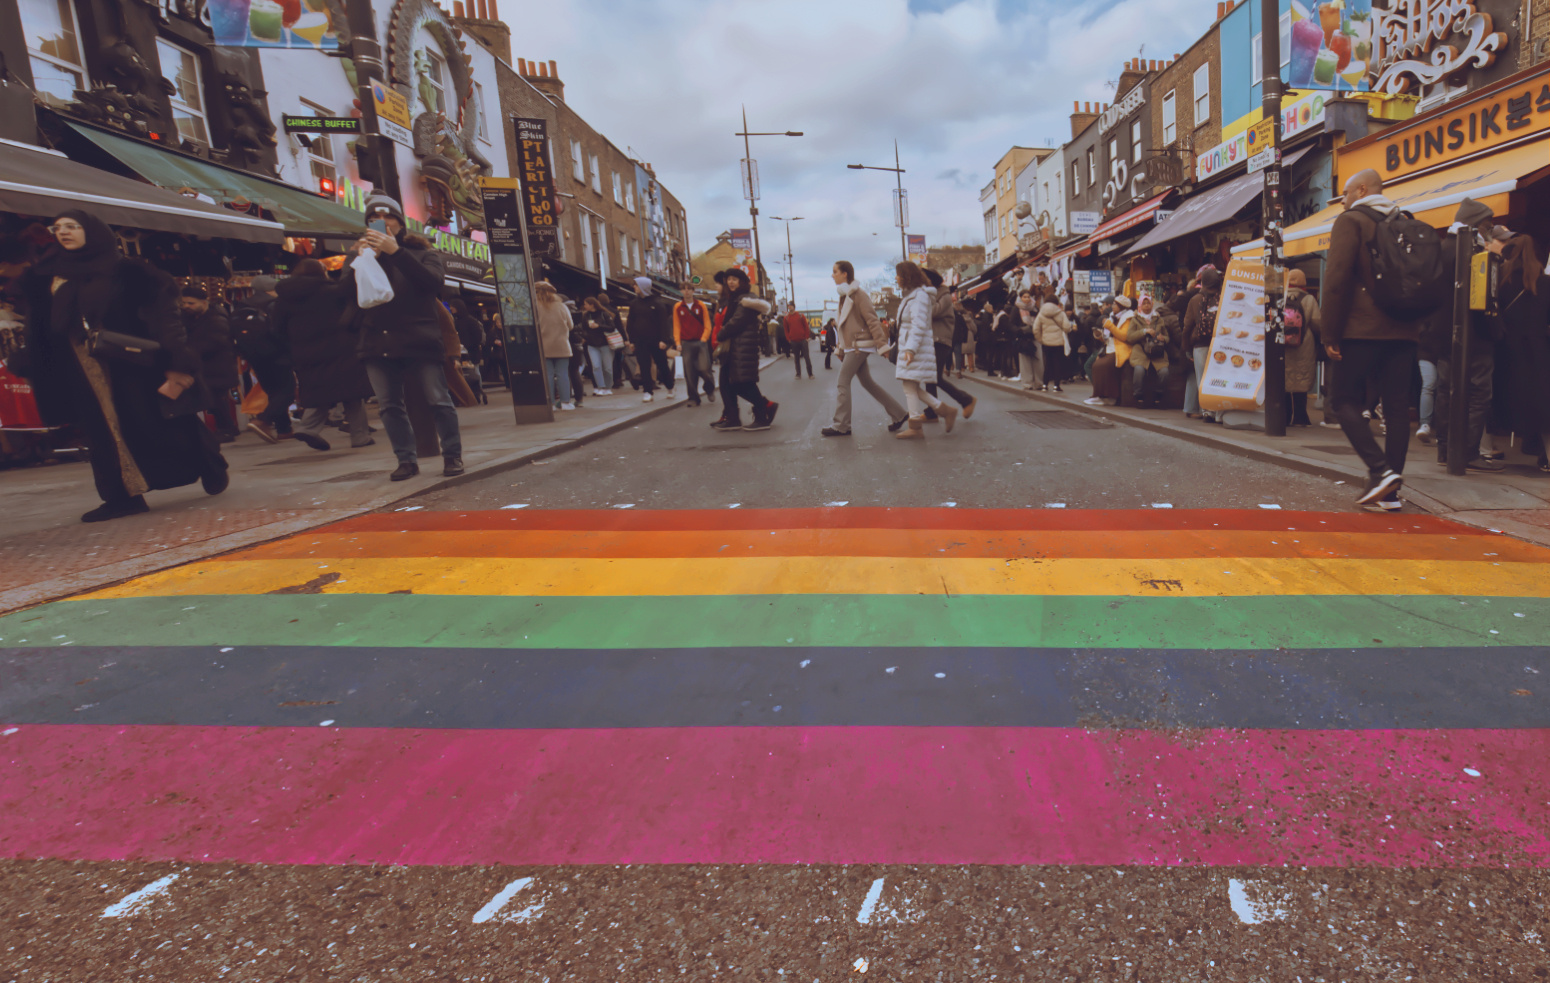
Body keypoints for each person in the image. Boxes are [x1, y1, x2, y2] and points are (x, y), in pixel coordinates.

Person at [17, 209, 228, 521]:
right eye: (58, 227)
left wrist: (176, 359)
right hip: (80, 368)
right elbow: (43, 327)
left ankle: (208, 462)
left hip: (132, 363)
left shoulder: (129, 272)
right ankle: (121, 497)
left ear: (93, 230)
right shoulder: (47, 275)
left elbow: (162, 318)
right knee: (100, 431)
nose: (64, 232)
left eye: (73, 226)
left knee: (157, 423)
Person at [1322, 168, 1424, 505]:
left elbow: (1336, 278)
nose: (1342, 202)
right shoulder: (1404, 221)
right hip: (1405, 331)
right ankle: (1389, 494)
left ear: (1361, 190)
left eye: (1345, 194)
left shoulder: (1352, 221)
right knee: (1395, 410)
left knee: (1341, 401)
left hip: (1362, 329)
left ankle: (1380, 470)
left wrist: (1330, 332)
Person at [344, 194, 463, 481]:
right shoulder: (362, 257)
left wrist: (396, 252)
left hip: (419, 338)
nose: (384, 224)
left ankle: (452, 455)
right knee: (389, 406)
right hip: (377, 341)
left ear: (401, 223)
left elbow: (432, 284)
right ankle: (406, 460)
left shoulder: (423, 253)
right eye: (376, 220)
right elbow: (343, 296)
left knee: (438, 399)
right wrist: (355, 262)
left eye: (390, 219)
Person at [272, 258, 374, 449]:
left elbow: (277, 328)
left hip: (305, 352)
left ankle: (308, 427)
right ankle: (360, 436)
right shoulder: (330, 291)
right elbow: (351, 291)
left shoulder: (284, 298)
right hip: (340, 348)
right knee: (353, 393)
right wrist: (354, 259)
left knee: (320, 391)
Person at [822, 260, 908, 437]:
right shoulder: (845, 296)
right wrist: (840, 349)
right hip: (852, 346)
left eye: (835, 271)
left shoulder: (859, 295)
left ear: (845, 273)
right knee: (867, 383)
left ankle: (842, 425)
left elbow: (872, 320)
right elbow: (844, 327)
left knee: (842, 381)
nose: (832, 275)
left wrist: (882, 345)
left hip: (858, 346)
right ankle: (899, 414)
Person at [1495, 233, 1550, 473]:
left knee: (1507, 399)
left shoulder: (1502, 280)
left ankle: (1492, 448)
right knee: (1541, 401)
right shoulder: (1545, 282)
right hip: (1538, 351)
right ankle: (1545, 454)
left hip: (1507, 350)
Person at [230, 276, 299, 445]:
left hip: (255, 357)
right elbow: (282, 330)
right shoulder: (273, 304)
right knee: (287, 391)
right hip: (278, 355)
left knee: (273, 391)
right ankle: (262, 420)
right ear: (270, 289)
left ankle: (284, 429)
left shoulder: (242, 306)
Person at [892, 261, 956, 439]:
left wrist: (910, 350)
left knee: (909, 385)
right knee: (910, 386)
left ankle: (917, 426)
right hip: (912, 346)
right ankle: (944, 410)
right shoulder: (913, 296)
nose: (896, 278)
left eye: (898, 274)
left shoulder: (919, 297)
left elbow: (919, 325)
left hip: (915, 348)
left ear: (907, 276)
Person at [710, 268, 777, 431]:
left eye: (734, 279)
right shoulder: (734, 299)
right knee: (725, 384)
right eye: (728, 280)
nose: (731, 282)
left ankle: (764, 408)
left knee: (742, 384)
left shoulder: (747, 300)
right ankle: (732, 418)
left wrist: (721, 333)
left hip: (742, 349)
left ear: (742, 282)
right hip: (733, 349)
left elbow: (737, 322)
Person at [181, 285, 240, 442]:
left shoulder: (216, 318)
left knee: (217, 399)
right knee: (213, 399)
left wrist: (188, 353)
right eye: (184, 303)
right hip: (207, 367)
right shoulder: (192, 318)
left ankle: (226, 429)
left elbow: (212, 342)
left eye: (190, 303)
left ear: (204, 302)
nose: (186, 306)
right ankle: (227, 428)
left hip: (217, 366)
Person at [923, 269, 977, 420]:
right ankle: (932, 411)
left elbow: (933, 312)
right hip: (931, 340)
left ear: (930, 280)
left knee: (934, 377)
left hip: (941, 340)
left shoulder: (944, 295)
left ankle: (966, 400)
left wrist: (923, 299)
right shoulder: (932, 293)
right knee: (930, 377)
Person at [1182, 270, 1222, 421]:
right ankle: (1219, 412)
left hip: (1201, 345)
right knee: (1219, 379)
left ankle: (1207, 411)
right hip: (1220, 345)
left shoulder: (1195, 299)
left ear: (1203, 282)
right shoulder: (1223, 298)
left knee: (1203, 379)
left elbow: (1187, 326)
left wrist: (1186, 348)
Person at [1283, 269, 1321, 427]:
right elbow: (1317, 322)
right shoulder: (1309, 299)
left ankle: (1284, 416)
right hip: (1304, 345)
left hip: (1282, 345)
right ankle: (1300, 417)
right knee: (1301, 379)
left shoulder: (1280, 296)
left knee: (1283, 380)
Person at [628, 276, 675, 402]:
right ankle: (648, 391)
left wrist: (664, 340)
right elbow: (631, 322)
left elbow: (663, 324)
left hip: (656, 340)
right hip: (640, 340)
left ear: (643, 287)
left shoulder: (657, 304)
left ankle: (670, 386)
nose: (634, 287)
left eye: (636, 285)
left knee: (662, 364)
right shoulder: (634, 304)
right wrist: (631, 340)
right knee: (644, 365)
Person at [531, 281, 575, 410]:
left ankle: (550, 404)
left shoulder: (534, 307)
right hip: (562, 345)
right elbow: (571, 326)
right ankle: (565, 402)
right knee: (562, 374)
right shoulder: (561, 306)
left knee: (548, 375)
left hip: (544, 346)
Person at [1125, 294, 1172, 408]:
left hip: (1157, 352)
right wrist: (1144, 331)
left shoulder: (1158, 319)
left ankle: (1159, 395)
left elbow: (1167, 337)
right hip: (1141, 352)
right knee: (1139, 370)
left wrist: (1162, 338)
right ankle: (1138, 396)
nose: (1147, 306)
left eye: (1148, 303)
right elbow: (1129, 337)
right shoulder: (1135, 320)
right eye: (1144, 303)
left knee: (1164, 372)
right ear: (1140, 305)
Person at [674, 284, 715, 405]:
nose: (686, 292)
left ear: (693, 291)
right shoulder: (678, 306)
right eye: (684, 289)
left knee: (705, 368)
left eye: (689, 289)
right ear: (681, 291)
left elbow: (707, 323)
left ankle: (709, 389)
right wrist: (678, 342)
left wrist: (704, 338)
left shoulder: (700, 305)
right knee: (689, 372)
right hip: (686, 342)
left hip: (700, 341)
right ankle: (693, 397)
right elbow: (677, 326)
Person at [1032, 289, 1074, 393]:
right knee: (1057, 364)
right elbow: (1067, 328)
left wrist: (1041, 340)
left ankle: (1045, 385)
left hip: (1046, 343)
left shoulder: (1041, 314)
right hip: (1059, 343)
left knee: (1047, 364)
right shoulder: (1061, 313)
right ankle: (1056, 386)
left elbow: (1035, 329)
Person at [580, 295, 618, 396]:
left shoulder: (604, 314)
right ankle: (601, 386)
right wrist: (585, 336)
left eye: (586, 304)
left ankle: (608, 386)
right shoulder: (586, 316)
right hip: (592, 344)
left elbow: (612, 327)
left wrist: (599, 326)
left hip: (605, 344)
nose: (584, 306)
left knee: (607, 367)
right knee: (596, 366)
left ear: (592, 305)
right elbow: (583, 329)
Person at [784, 303, 813, 379]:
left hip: (803, 340)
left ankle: (810, 374)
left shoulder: (800, 316)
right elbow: (786, 330)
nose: (789, 307)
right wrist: (788, 339)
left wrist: (807, 337)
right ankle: (798, 374)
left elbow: (806, 326)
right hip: (793, 341)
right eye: (788, 306)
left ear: (794, 307)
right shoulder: (786, 318)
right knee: (796, 358)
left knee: (807, 357)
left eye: (791, 305)